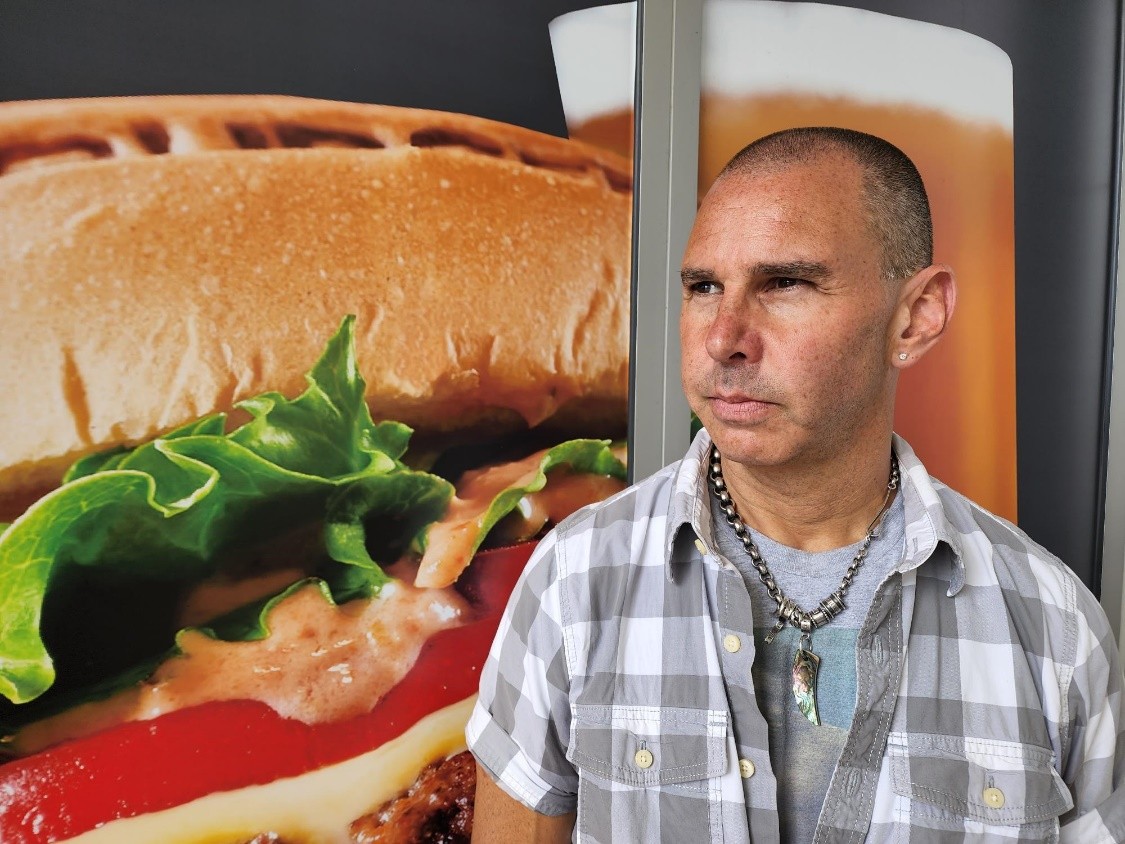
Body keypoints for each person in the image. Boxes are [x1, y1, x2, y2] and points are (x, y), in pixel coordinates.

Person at [465, 127, 1125, 843]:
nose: (723, 337)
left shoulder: (1052, 626)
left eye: (784, 283)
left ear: (916, 315)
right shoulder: (574, 577)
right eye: (702, 286)